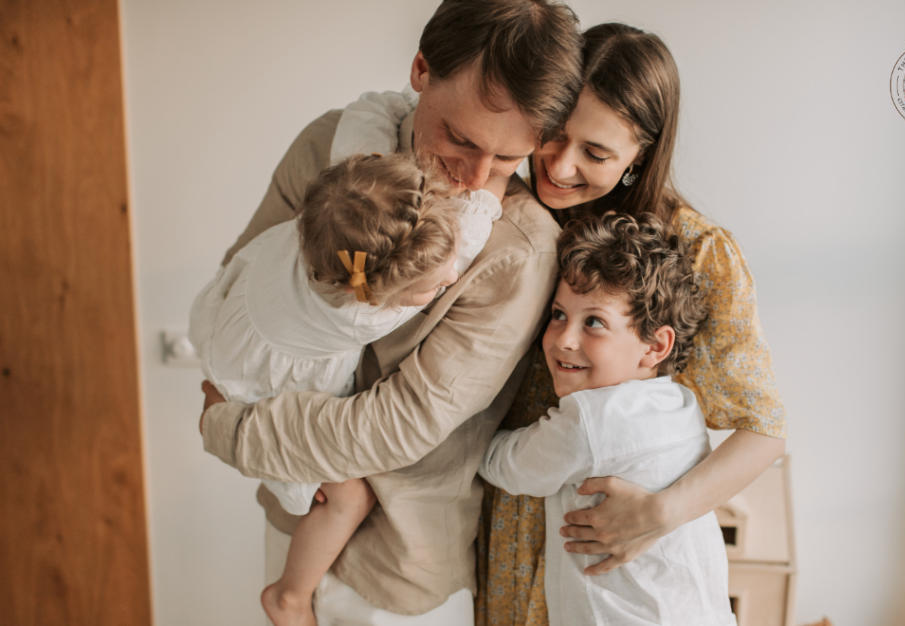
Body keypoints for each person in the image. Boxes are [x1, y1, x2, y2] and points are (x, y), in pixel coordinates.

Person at [198, 1, 583, 624]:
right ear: (421, 69)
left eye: (509, 160)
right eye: (459, 138)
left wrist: (230, 429)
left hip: (401, 572)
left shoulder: (520, 249)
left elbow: (403, 423)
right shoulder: (330, 143)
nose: (473, 177)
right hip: (292, 512)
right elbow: (245, 278)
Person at [475, 23, 787, 626]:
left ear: (639, 154)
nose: (560, 166)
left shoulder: (699, 254)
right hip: (511, 530)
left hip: (618, 551)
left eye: (594, 152)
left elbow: (764, 432)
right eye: (554, 136)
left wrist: (659, 514)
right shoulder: (507, 214)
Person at [190, 151, 505, 626]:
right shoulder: (360, 311)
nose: (453, 278)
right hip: (253, 383)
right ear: (377, 293)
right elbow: (478, 218)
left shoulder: (338, 210)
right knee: (348, 496)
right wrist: (500, 168)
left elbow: (366, 121)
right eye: (431, 288)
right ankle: (290, 596)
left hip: (228, 329)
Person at [479, 212, 736, 626]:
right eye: (559, 314)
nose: (564, 338)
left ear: (655, 345)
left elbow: (508, 467)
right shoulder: (683, 405)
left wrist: (466, 428)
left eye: (593, 322)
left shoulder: (591, 419)